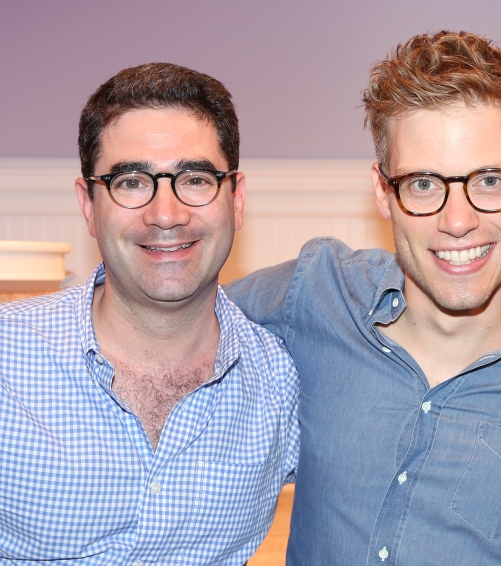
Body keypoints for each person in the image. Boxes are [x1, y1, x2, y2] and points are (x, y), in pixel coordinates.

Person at [225, 31, 501, 564]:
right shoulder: (317, 292)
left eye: (490, 180)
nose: (459, 221)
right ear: (384, 192)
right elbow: (170, 321)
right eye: (424, 184)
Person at [0, 63, 298, 564]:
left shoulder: (284, 383)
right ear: (89, 205)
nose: (166, 214)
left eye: (195, 178)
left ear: (236, 200)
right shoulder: (8, 359)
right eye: (132, 181)